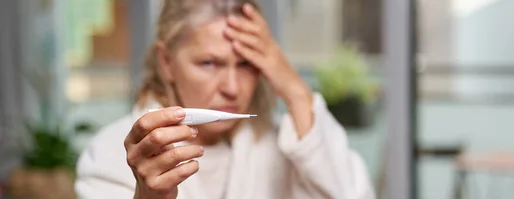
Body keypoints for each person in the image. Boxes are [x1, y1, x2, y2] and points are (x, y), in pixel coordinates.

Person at [75, 0, 374, 198]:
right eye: (208, 63)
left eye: (246, 64)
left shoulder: (289, 148)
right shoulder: (110, 154)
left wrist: (296, 90)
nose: (232, 87)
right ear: (166, 61)